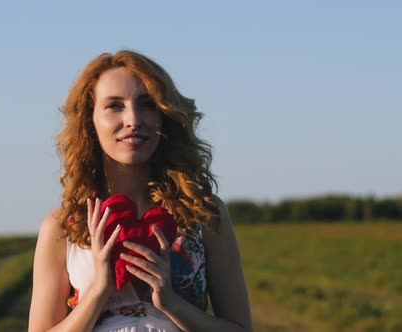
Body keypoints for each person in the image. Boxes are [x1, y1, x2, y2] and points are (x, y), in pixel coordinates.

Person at [28, 50, 252, 332]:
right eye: (114, 106)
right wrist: (98, 291)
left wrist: (171, 303)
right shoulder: (64, 225)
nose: (133, 119)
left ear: (164, 117)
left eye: (147, 104)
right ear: (90, 121)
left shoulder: (204, 214)